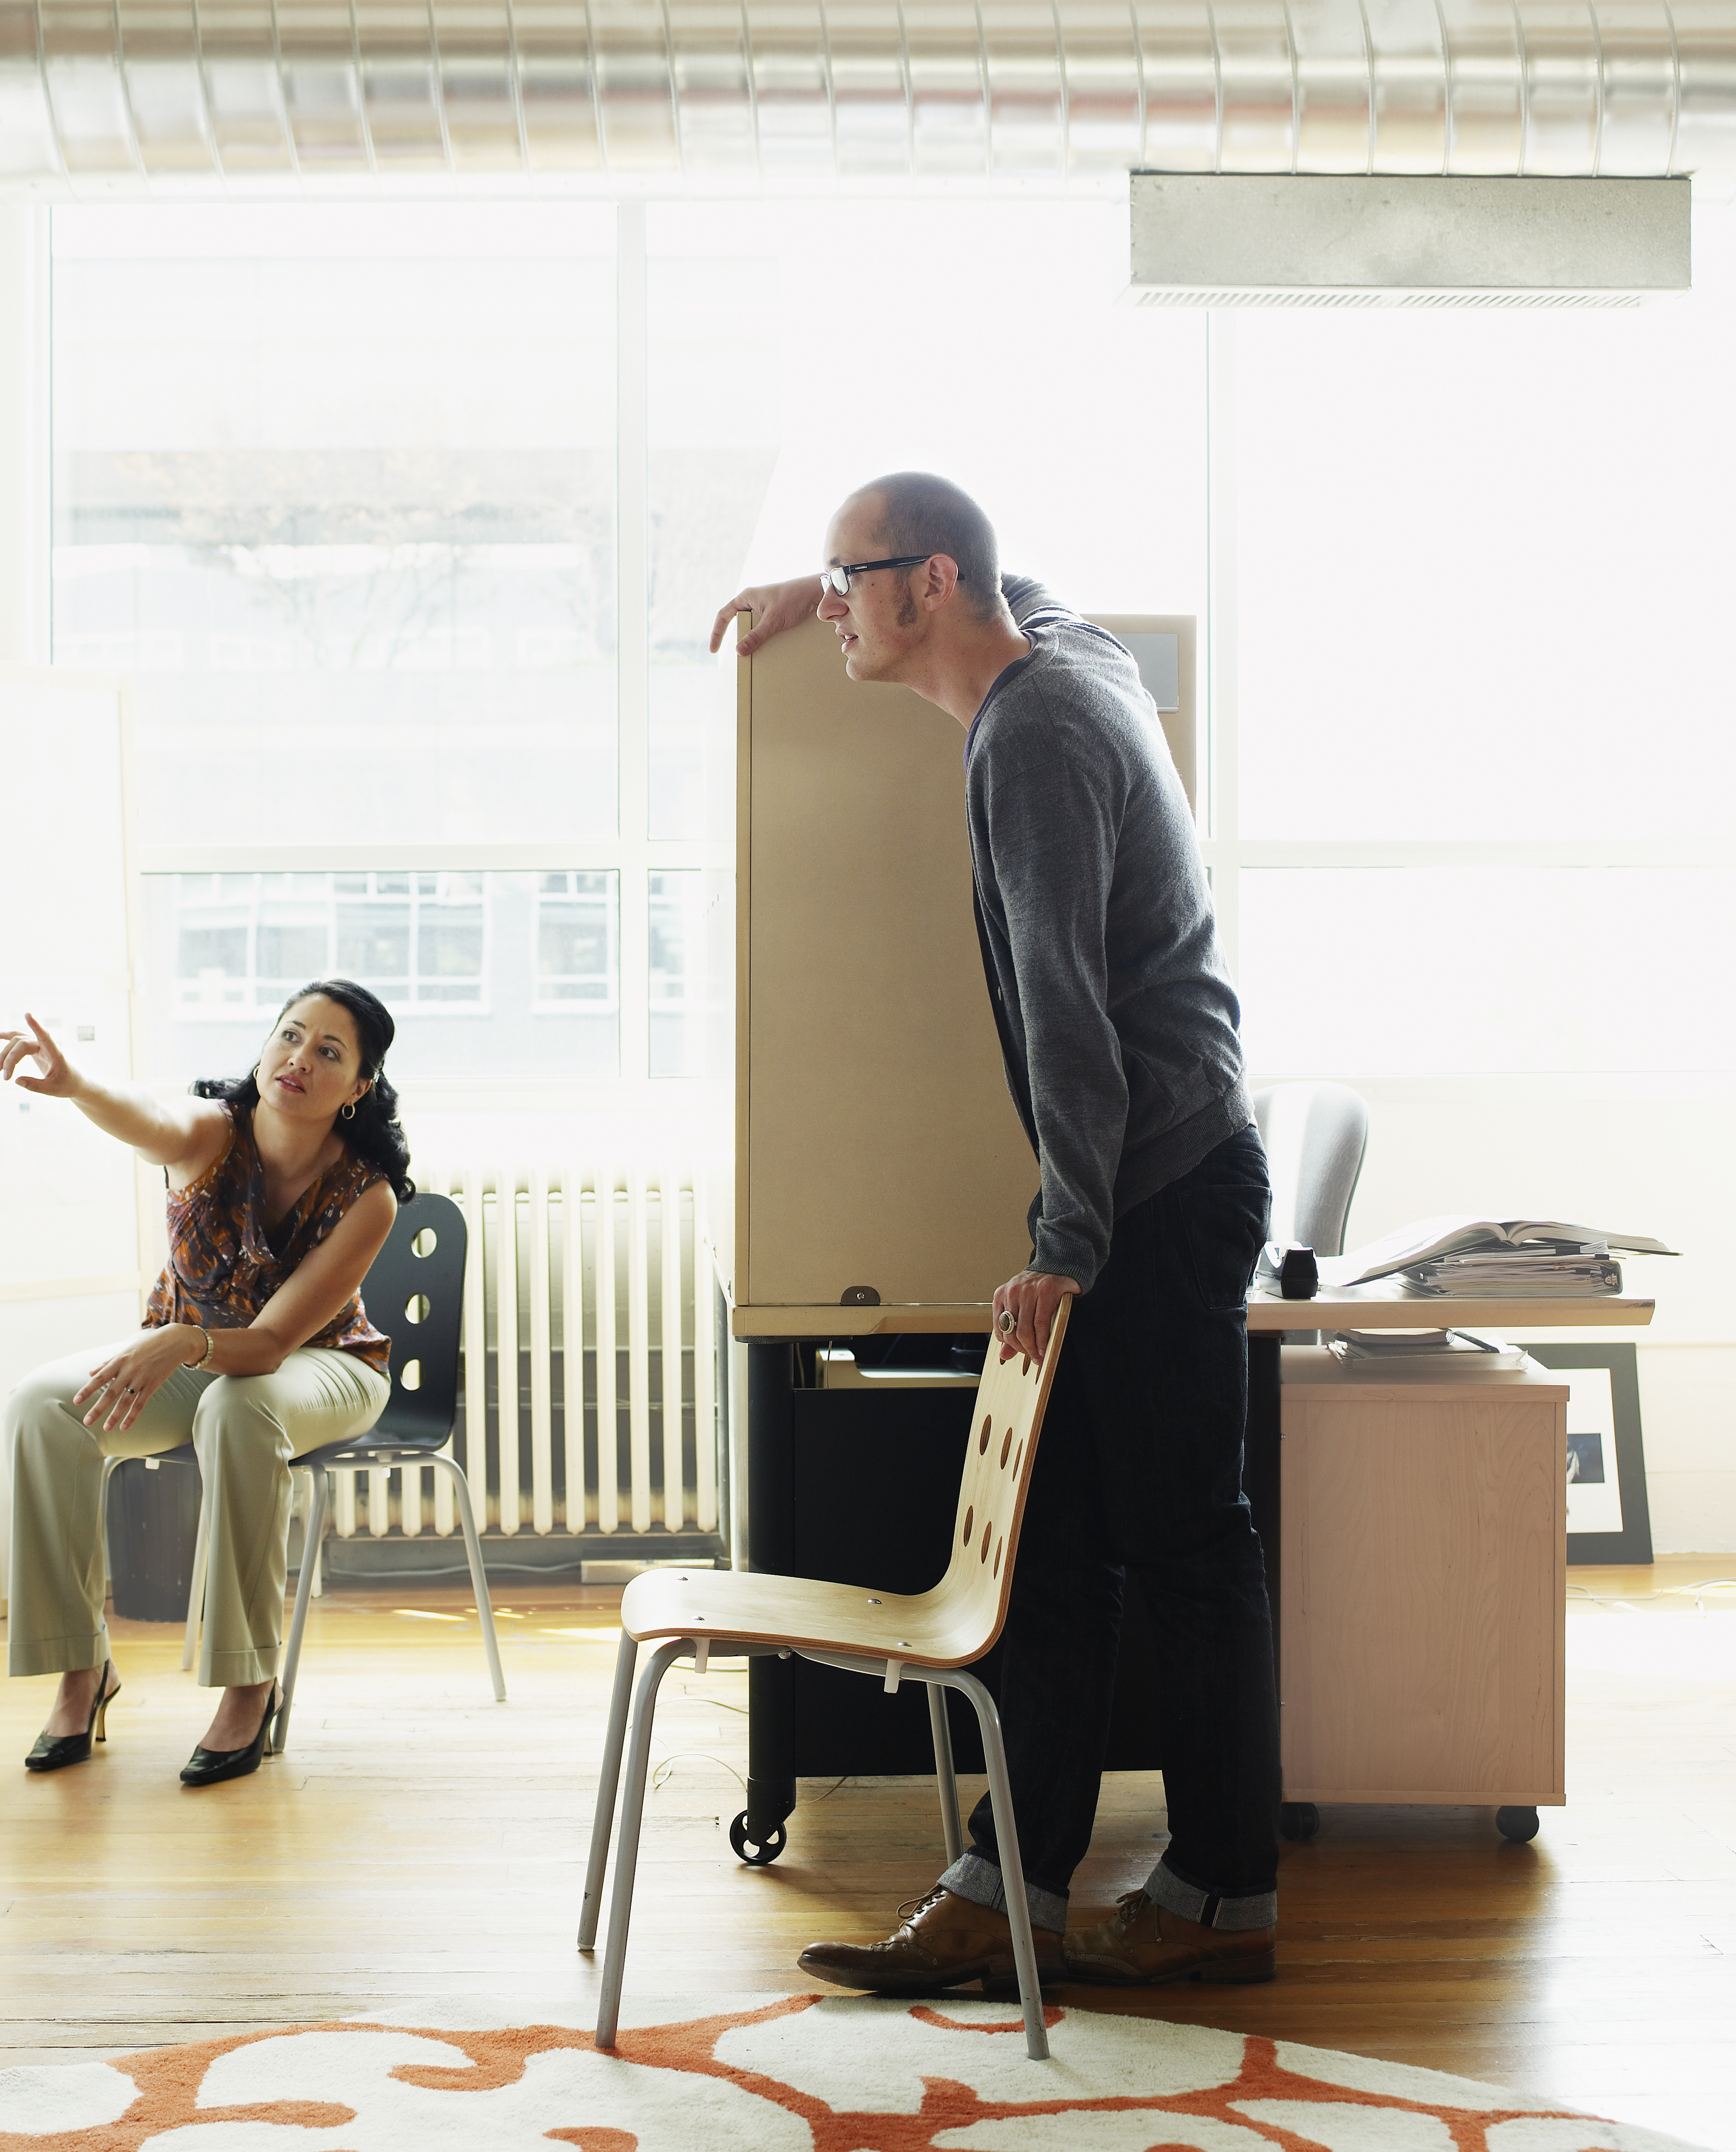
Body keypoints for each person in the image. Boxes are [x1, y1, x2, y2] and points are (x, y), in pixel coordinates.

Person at [711, 474, 1279, 1989]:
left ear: (933, 584)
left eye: (851, 580)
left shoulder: (1030, 740)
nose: (831, 606)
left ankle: (1222, 1900)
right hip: (1166, 1171)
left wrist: (1061, 1246)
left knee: (1185, 1553)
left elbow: (1070, 1027)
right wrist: (797, 595)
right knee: (1058, 1554)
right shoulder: (1066, 660)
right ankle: (1001, 1889)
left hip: (1153, 1191)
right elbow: (1047, 594)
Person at [0, 979, 409, 1786]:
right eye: (290, 1035)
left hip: (325, 1364)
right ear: (264, 1047)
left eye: (329, 1051)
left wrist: (181, 1339)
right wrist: (76, 1083)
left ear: (358, 1086)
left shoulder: (370, 1195)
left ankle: (250, 1681)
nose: (299, 1058)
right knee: (44, 1403)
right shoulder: (210, 1132)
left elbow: (271, 1342)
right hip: (196, 1358)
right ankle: (81, 1670)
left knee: (242, 1407)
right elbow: (146, 1116)